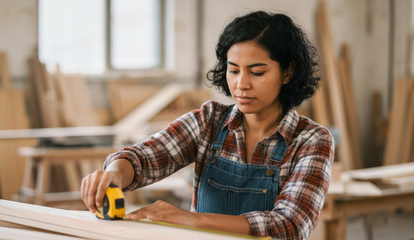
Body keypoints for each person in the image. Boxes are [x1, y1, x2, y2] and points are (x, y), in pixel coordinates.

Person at [81, 11, 334, 239]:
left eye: (257, 73)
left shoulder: (312, 141)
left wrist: (193, 220)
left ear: (288, 72)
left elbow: (289, 225)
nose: (241, 84)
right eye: (234, 70)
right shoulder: (209, 121)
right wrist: (114, 172)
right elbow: (147, 157)